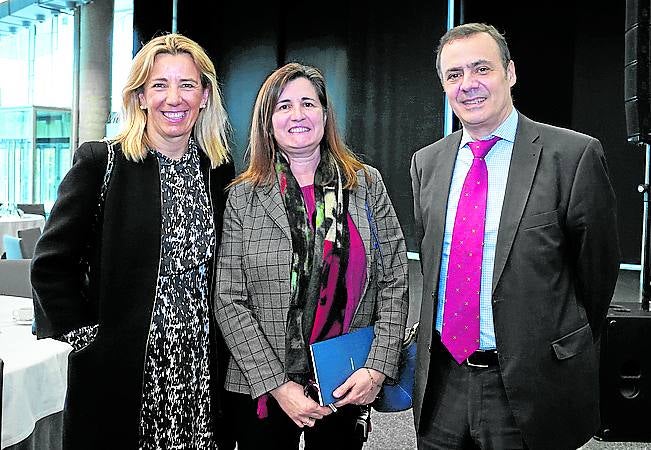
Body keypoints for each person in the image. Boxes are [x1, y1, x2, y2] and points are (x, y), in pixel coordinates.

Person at [410, 23, 620, 450]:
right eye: (454, 75)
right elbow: (433, 269)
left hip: (529, 384)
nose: (468, 85)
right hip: (443, 383)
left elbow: (597, 275)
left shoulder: (573, 155)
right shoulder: (426, 163)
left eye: (481, 68)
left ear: (510, 72)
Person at [31, 33, 235, 450]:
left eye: (187, 84)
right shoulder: (101, 162)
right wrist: (86, 340)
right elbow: (51, 264)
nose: (173, 98)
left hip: (198, 369)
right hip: (122, 371)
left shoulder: (219, 170)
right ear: (140, 96)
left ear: (205, 96)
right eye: (159, 85)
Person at [213, 62, 409, 450]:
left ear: (324, 114)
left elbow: (395, 280)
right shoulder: (243, 196)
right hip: (262, 387)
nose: (297, 114)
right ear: (267, 122)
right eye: (283, 106)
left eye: (308, 103)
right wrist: (280, 386)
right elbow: (228, 298)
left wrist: (376, 368)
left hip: (345, 380)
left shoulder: (366, 183)